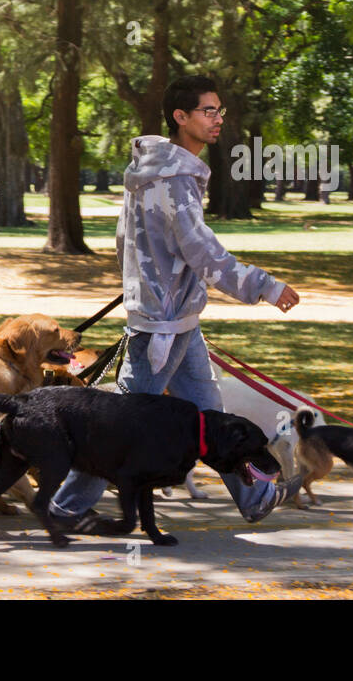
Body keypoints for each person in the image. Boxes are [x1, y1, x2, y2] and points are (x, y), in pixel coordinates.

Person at [49, 75, 304, 530]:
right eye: (208, 111)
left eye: (220, 111)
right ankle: (65, 507)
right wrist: (263, 285)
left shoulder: (157, 171)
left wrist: (145, 281)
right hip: (161, 325)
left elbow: (129, 240)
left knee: (211, 419)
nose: (218, 119)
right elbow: (201, 250)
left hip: (176, 317)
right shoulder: (174, 178)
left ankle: (255, 495)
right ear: (179, 117)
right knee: (121, 423)